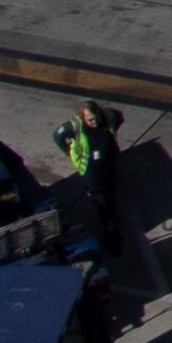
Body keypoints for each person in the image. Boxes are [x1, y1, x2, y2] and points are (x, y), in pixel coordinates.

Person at [55, 102, 125, 245]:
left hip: (109, 165)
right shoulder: (75, 126)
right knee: (102, 203)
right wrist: (70, 153)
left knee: (111, 189)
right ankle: (111, 234)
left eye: (95, 118)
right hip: (91, 171)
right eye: (90, 120)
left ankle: (112, 210)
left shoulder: (107, 117)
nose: (94, 122)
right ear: (83, 117)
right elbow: (58, 136)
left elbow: (119, 117)